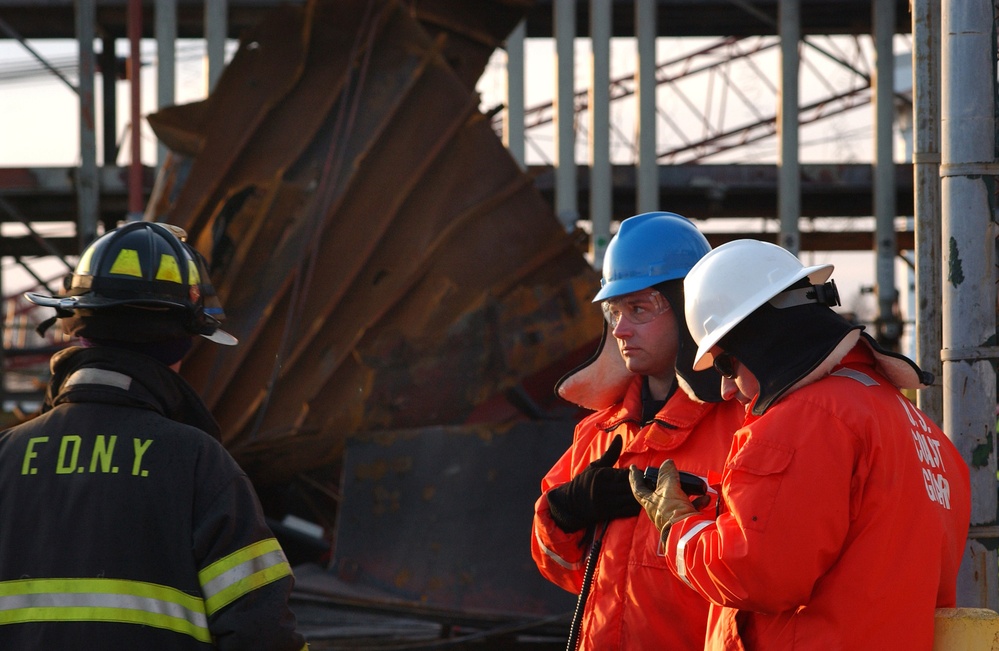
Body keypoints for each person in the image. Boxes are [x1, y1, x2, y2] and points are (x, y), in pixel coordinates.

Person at [629, 238, 971, 650]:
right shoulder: (918, 429)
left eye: (726, 363)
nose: (724, 388)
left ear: (761, 340)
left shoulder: (804, 419)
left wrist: (677, 526)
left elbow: (756, 572)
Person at [0, 221, 309, 650]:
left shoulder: (5, 458)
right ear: (180, 346)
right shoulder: (201, 465)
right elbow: (261, 634)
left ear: (74, 324)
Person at [531, 212, 745, 650]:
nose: (621, 329)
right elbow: (562, 569)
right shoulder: (600, 433)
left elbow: (763, 572)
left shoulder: (745, 427)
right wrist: (566, 510)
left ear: (690, 307)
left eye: (639, 308)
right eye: (614, 312)